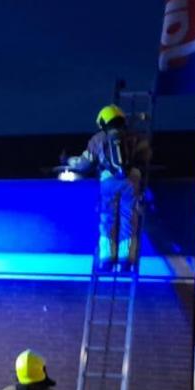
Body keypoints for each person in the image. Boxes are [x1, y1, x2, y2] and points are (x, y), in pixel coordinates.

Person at [66, 104, 152, 273]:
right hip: (131, 180)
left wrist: (69, 161)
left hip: (108, 181)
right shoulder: (135, 137)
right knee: (129, 218)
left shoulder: (97, 139)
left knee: (107, 219)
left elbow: (84, 164)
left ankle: (106, 259)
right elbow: (146, 157)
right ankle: (126, 259)